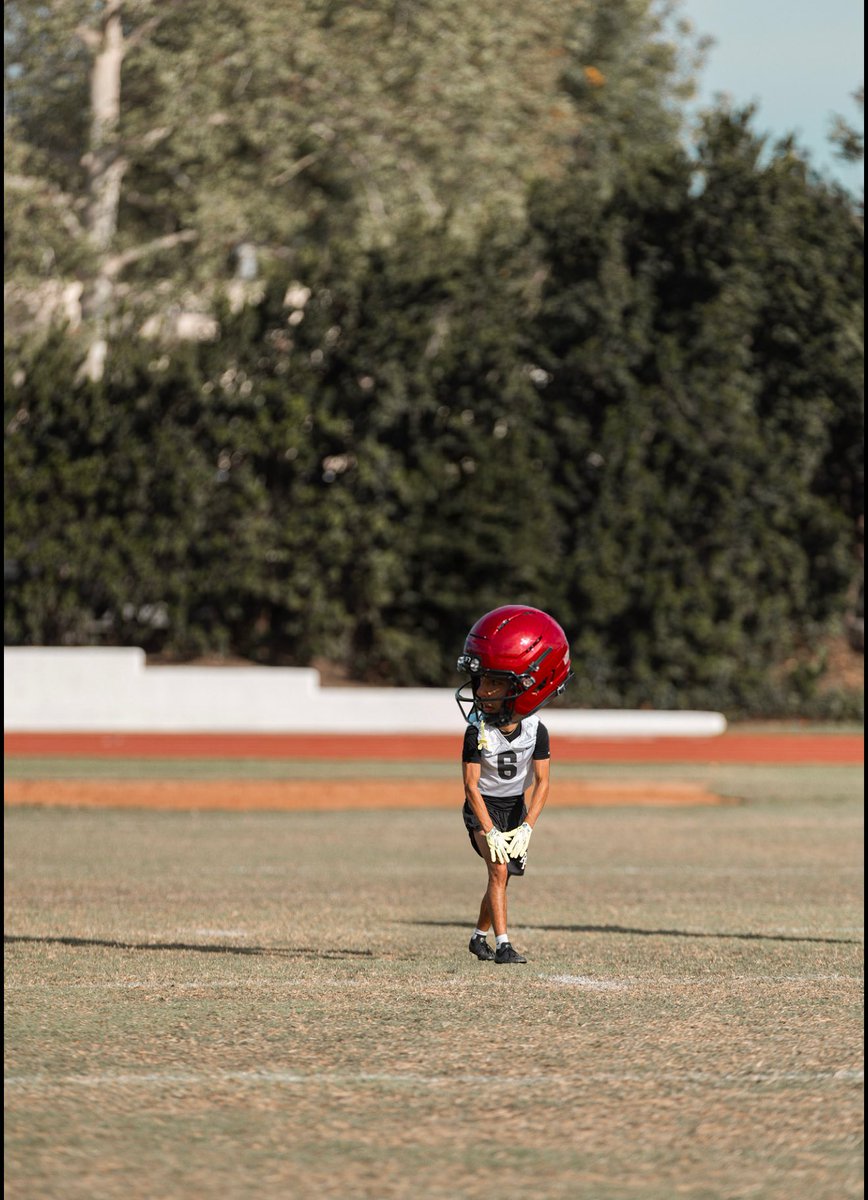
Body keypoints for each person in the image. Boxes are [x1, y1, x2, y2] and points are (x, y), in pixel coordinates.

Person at [455, 605, 572, 965]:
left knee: (501, 880)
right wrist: (489, 831)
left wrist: (526, 826)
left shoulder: (537, 731)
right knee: (498, 870)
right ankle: (503, 945)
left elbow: (543, 783)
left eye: (494, 681)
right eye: (481, 680)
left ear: (527, 685)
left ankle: (478, 937)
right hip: (484, 808)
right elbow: (471, 788)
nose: (482, 690)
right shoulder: (477, 731)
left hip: (514, 808)